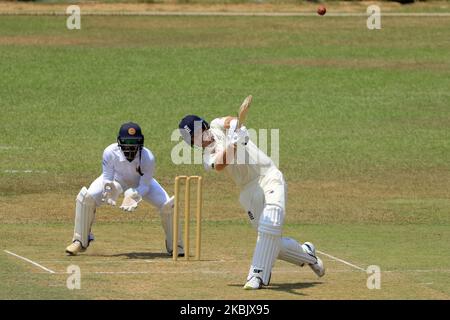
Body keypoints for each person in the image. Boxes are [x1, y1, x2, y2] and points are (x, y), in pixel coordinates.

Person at [178, 108, 325, 290]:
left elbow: (231, 120)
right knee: (271, 241)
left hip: (268, 175)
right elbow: (220, 164)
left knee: (270, 225)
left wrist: (235, 128)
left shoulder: (217, 125)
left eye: (199, 134)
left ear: (205, 126)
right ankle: (307, 254)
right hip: (248, 191)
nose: (200, 140)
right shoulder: (207, 157)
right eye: (194, 139)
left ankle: (257, 275)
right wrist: (233, 145)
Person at [65, 122, 183, 256]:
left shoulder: (148, 157)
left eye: (134, 142)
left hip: (141, 183)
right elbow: (107, 177)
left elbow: (145, 184)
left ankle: (176, 246)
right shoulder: (110, 152)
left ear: (141, 142)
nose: (130, 146)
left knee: (168, 206)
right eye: (126, 142)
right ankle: (80, 241)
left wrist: (135, 195)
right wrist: (109, 189)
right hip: (117, 180)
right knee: (86, 198)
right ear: (119, 141)